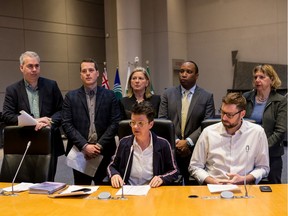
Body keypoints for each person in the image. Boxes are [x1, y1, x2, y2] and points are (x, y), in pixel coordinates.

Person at [2, 51, 64, 181]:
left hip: (49, 141)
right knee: (25, 182)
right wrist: (34, 121)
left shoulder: (51, 86)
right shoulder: (12, 90)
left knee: (48, 183)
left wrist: (49, 122)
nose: (34, 69)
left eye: (37, 66)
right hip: (24, 142)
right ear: (21, 68)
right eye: (30, 66)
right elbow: (7, 116)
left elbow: (62, 111)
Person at [62, 58, 121, 185]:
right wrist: (85, 146)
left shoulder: (110, 96)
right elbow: (67, 124)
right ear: (80, 75)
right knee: (81, 194)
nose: (88, 73)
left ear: (97, 73)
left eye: (91, 70)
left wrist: (99, 146)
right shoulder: (70, 97)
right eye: (84, 71)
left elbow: (115, 123)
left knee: (105, 193)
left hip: (104, 152)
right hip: (80, 153)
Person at [189, 92, 270, 185]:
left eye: (229, 115)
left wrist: (244, 179)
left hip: (244, 187)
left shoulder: (257, 133)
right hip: (213, 187)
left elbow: (263, 168)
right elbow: (194, 166)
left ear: (242, 114)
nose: (224, 118)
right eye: (222, 112)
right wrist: (210, 180)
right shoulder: (208, 132)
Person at [158, 61, 215, 185]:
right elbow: (163, 120)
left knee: (193, 186)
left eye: (189, 72)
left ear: (196, 75)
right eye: (182, 71)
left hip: (195, 149)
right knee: (173, 187)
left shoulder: (206, 96)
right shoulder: (168, 94)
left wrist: (188, 142)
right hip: (172, 148)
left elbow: (207, 124)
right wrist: (177, 141)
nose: (184, 74)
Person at [107, 101, 179, 188]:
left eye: (140, 123)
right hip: (128, 191)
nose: (135, 127)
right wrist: (114, 175)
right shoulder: (124, 143)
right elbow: (112, 166)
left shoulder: (163, 144)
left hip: (152, 192)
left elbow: (174, 171)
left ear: (150, 124)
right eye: (133, 122)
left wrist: (162, 178)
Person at [243, 64, 287, 184]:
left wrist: (261, 149)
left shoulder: (280, 101)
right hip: (247, 151)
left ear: (272, 80)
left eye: (262, 77)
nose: (257, 80)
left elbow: (280, 131)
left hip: (271, 153)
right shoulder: (246, 98)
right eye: (255, 77)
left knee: (273, 190)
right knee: (247, 188)